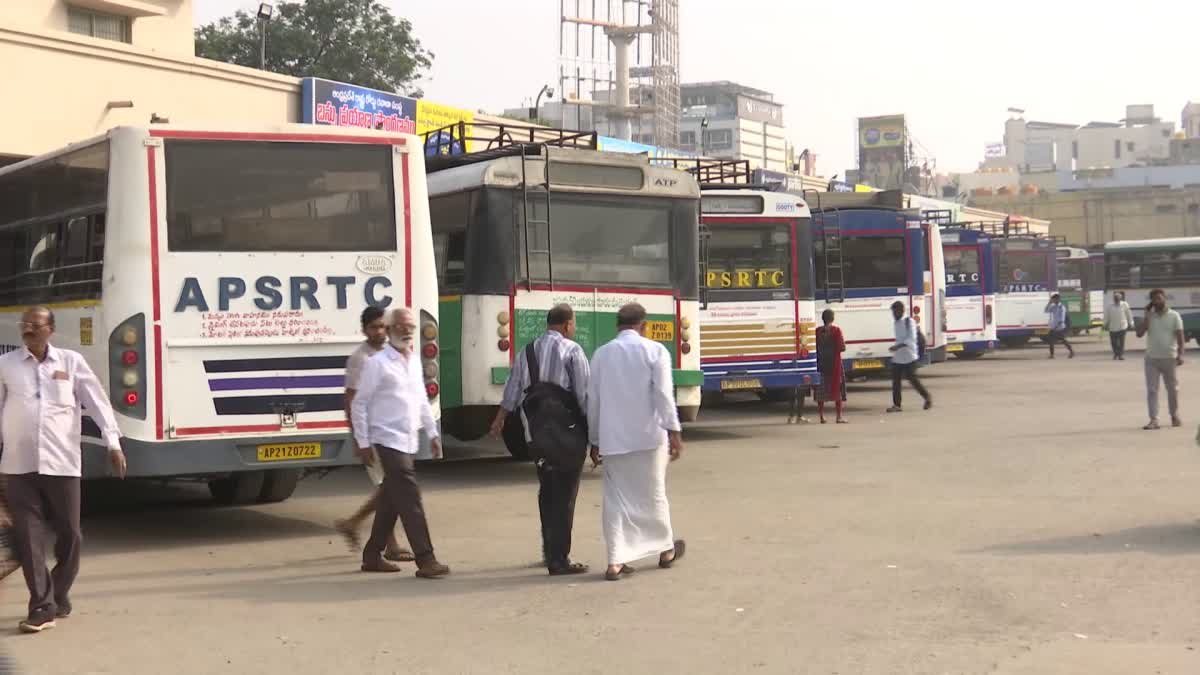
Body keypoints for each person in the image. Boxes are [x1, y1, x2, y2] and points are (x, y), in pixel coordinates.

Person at [0, 306, 127, 633]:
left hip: (63, 463)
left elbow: (97, 402)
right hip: (18, 464)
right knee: (29, 538)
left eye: (35, 324)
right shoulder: (6, 365)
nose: (27, 328)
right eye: (24, 324)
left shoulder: (71, 362)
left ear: (50, 329)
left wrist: (112, 442)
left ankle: (58, 593)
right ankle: (42, 607)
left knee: (71, 535)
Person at [489, 304, 591, 576]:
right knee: (566, 495)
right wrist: (594, 437)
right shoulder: (573, 351)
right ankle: (560, 559)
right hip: (568, 435)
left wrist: (500, 419)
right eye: (574, 324)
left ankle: (550, 551)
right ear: (568, 324)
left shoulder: (527, 352)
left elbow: (512, 390)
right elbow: (583, 396)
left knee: (548, 491)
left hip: (537, 435)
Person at [587, 303, 686, 581]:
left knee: (615, 500)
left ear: (617, 325)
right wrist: (674, 431)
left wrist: (594, 439)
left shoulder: (601, 354)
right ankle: (665, 550)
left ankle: (615, 562)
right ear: (643, 326)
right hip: (649, 437)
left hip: (613, 439)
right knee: (654, 494)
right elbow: (664, 396)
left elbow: (593, 401)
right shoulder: (656, 351)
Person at [350, 307, 449, 578]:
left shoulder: (414, 361)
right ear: (390, 329)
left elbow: (421, 400)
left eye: (410, 327)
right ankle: (426, 559)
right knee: (409, 496)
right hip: (384, 438)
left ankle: (372, 555)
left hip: (407, 438)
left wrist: (432, 433)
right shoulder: (377, 363)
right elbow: (359, 404)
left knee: (392, 499)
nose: (406, 331)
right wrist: (362, 441)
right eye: (401, 327)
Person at [334, 306, 413, 563]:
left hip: (393, 431)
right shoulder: (361, 358)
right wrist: (359, 438)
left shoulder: (394, 354)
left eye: (382, 326)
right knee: (390, 487)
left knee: (390, 487)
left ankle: (360, 528)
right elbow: (351, 399)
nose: (379, 331)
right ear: (365, 330)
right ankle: (382, 541)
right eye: (374, 327)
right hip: (372, 433)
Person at [1135, 289, 1185, 430]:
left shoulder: (1174, 316)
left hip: (1169, 358)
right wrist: (1146, 317)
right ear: (1151, 302)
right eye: (1155, 299)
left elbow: (1180, 338)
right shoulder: (1150, 317)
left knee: (1172, 389)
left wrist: (1181, 354)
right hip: (1152, 359)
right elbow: (1139, 334)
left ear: (1164, 299)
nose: (1157, 301)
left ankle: (1174, 415)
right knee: (1152, 390)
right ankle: (1153, 420)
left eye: (1159, 298)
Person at [886, 301, 932, 413]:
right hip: (898, 357)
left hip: (910, 356)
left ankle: (927, 397)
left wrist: (897, 347)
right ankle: (897, 405)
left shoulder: (909, 321)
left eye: (895, 312)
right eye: (893, 312)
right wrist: (896, 349)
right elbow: (899, 338)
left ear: (901, 311)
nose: (894, 314)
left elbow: (911, 339)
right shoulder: (896, 323)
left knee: (913, 379)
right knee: (896, 381)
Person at [814, 309, 847, 424]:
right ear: (832, 318)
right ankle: (838, 416)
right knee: (837, 390)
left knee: (821, 392)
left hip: (821, 364)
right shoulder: (836, 331)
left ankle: (822, 416)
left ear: (822, 318)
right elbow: (842, 347)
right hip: (835, 364)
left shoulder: (817, 331)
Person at [1043, 294, 1075, 359]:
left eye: (1054, 299)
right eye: (1052, 299)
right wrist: (1049, 303)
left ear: (1058, 299)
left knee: (1062, 340)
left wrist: (1057, 326)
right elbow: (1046, 311)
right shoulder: (1053, 306)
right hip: (1054, 326)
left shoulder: (1062, 307)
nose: (1053, 300)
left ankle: (1071, 352)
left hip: (1059, 327)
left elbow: (1062, 318)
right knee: (1052, 340)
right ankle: (1052, 355)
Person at [1104, 291, 1134, 360]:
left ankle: (1120, 355)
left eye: (1118, 298)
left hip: (1122, 326)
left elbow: (1129, 314)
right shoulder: (1109, 306)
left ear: (1120, 299)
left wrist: (1131, 323)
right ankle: (1115, 353)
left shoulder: (1125, 304)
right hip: (1112, 327)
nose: (1116, 299)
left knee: (1121, 342)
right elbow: (1106, 316)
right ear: (1113, 299)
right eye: (1115, 298)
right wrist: (1104, 324)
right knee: (1114, 343)